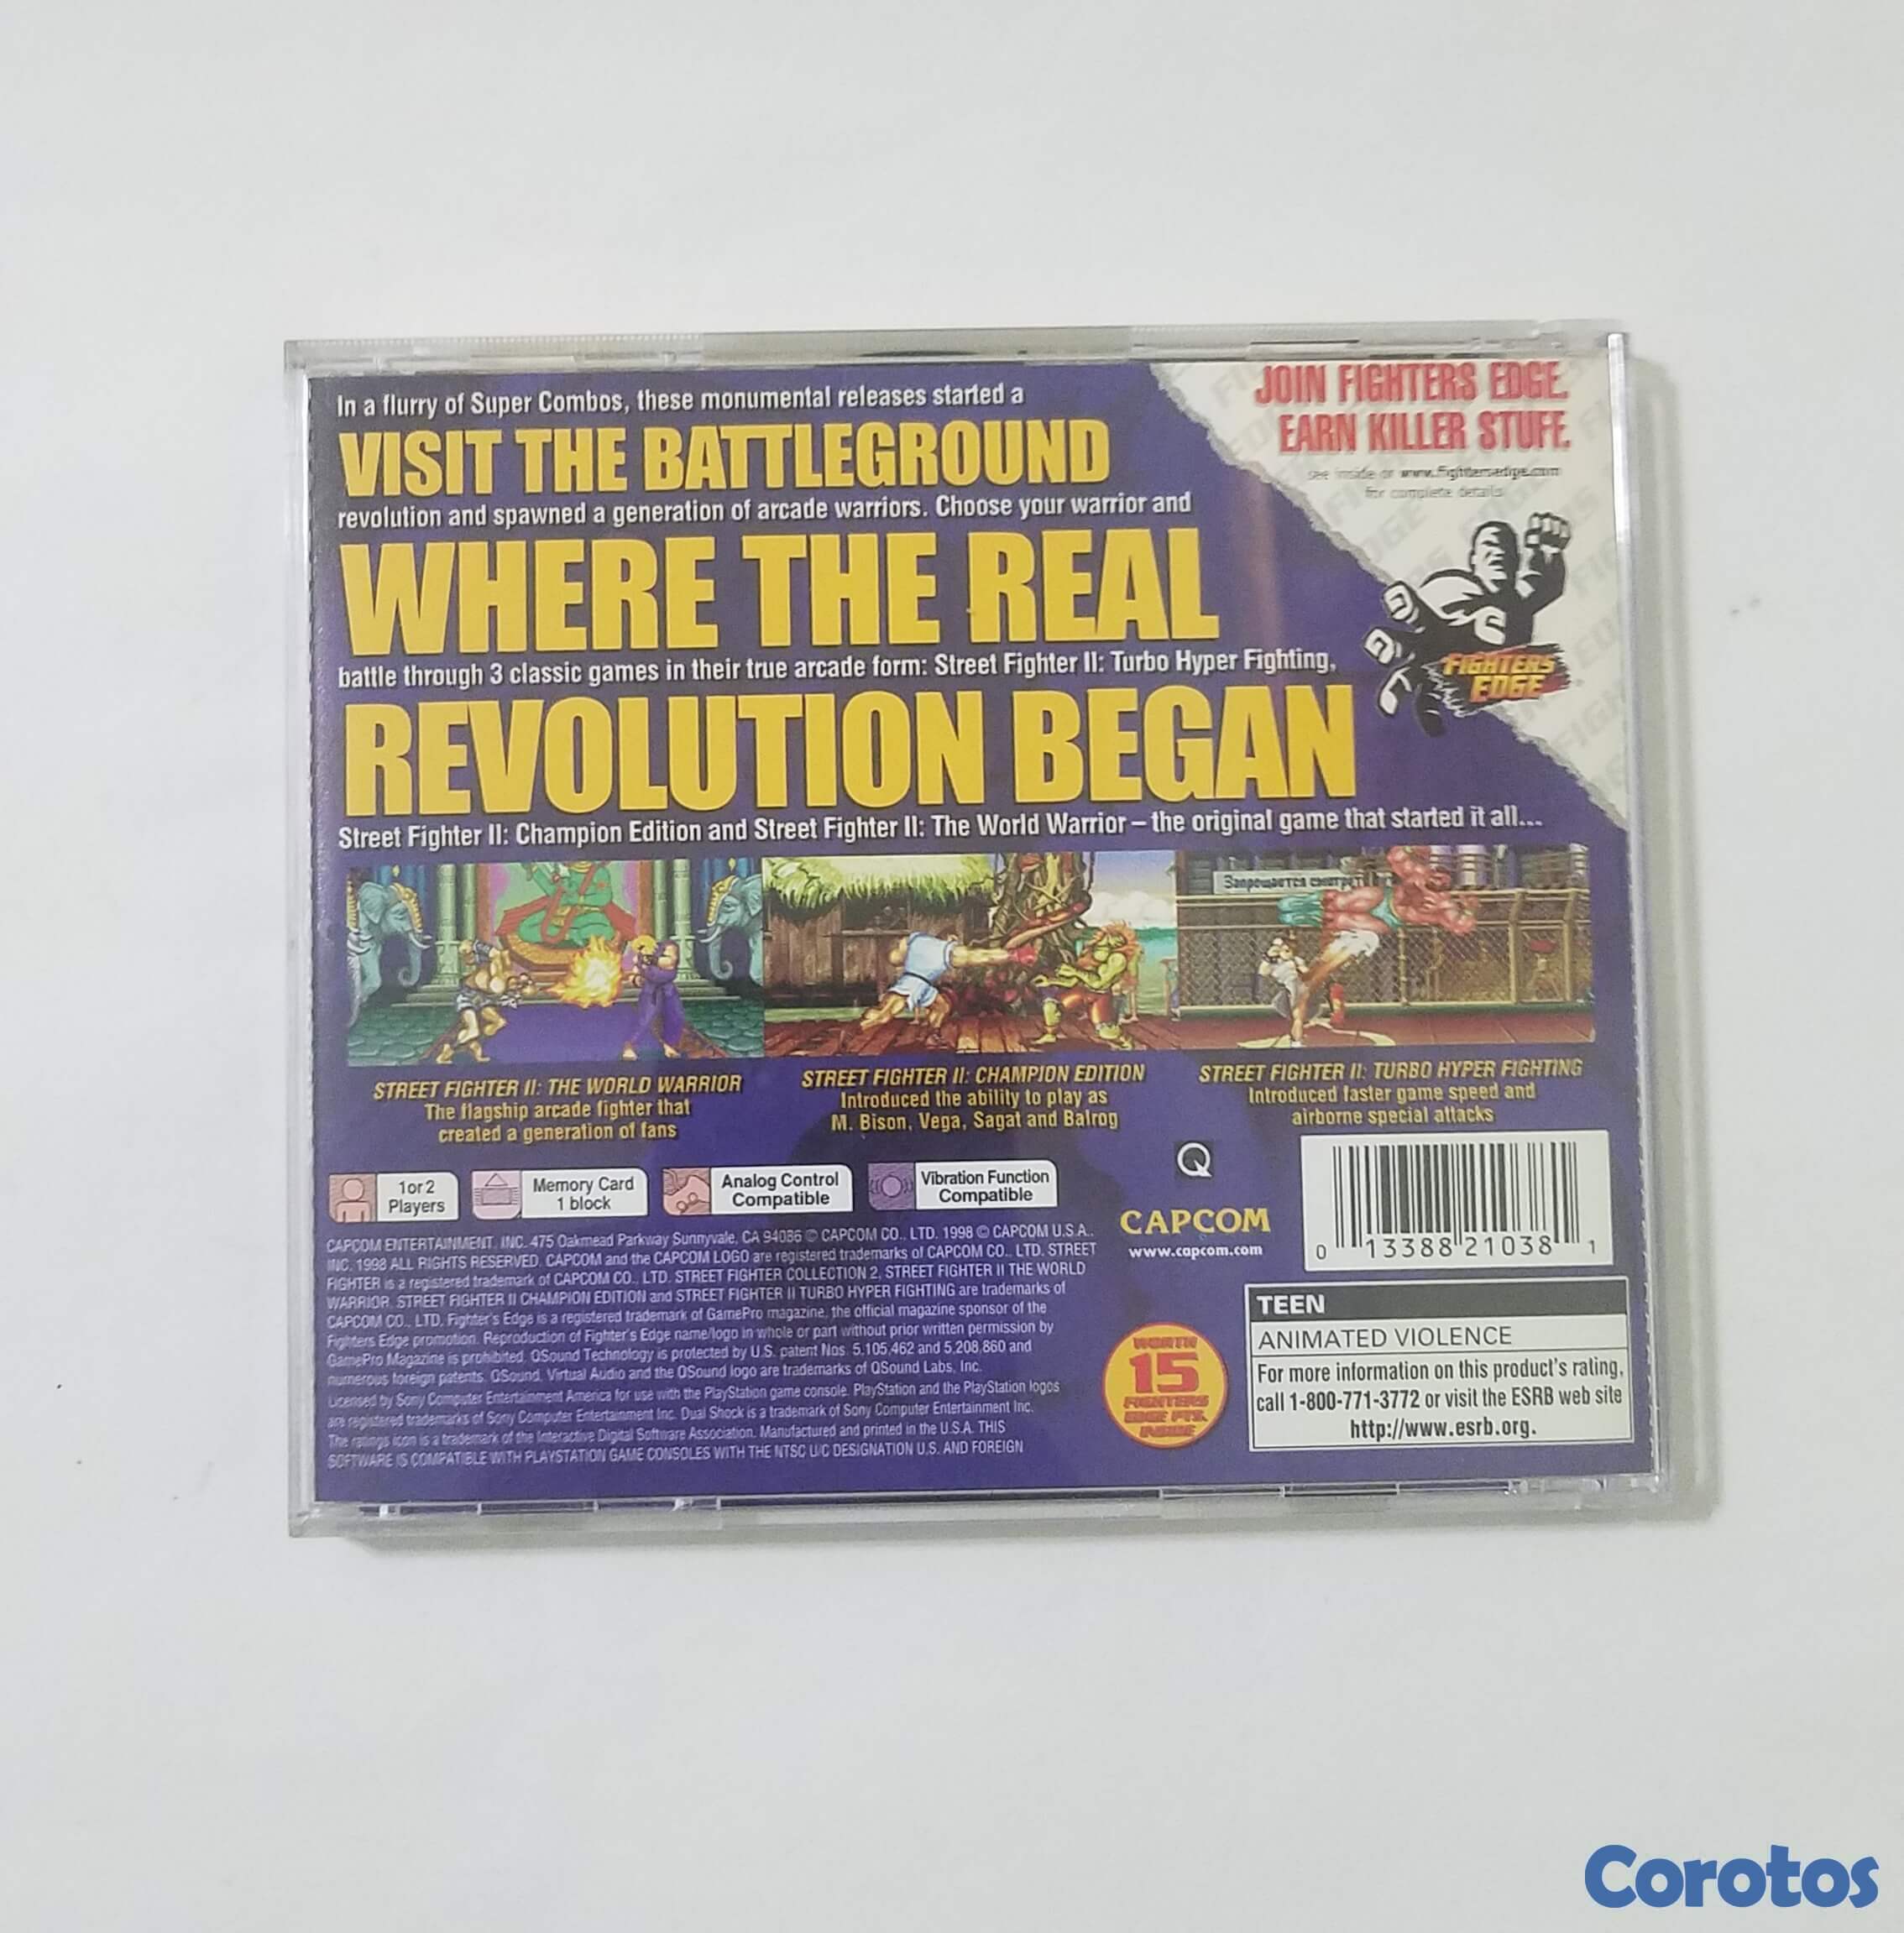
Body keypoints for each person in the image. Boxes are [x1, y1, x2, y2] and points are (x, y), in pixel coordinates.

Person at [857, 929, 1031, 1033]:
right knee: (884, 1015)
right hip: (912, 983)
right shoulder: (946, 951)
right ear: (948, 938)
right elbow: (982, 956)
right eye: (954, 939)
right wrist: (1014, 956)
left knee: (941, 1007)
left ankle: (931, 1035)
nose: (957, 942)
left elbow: (895, 957)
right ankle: (857, 1030)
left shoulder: (916, 939)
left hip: (923, 984)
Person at [621, 938, 686, 1058]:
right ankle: (630, 1045)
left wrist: (649, 960)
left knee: (675, 1016)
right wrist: (637, 978)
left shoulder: (668, 946)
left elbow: (670, 963)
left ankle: (669, 1045)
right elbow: (635, 973)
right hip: (651, 992)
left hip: (668, 991)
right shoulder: (639, 957)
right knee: (644, 1018)